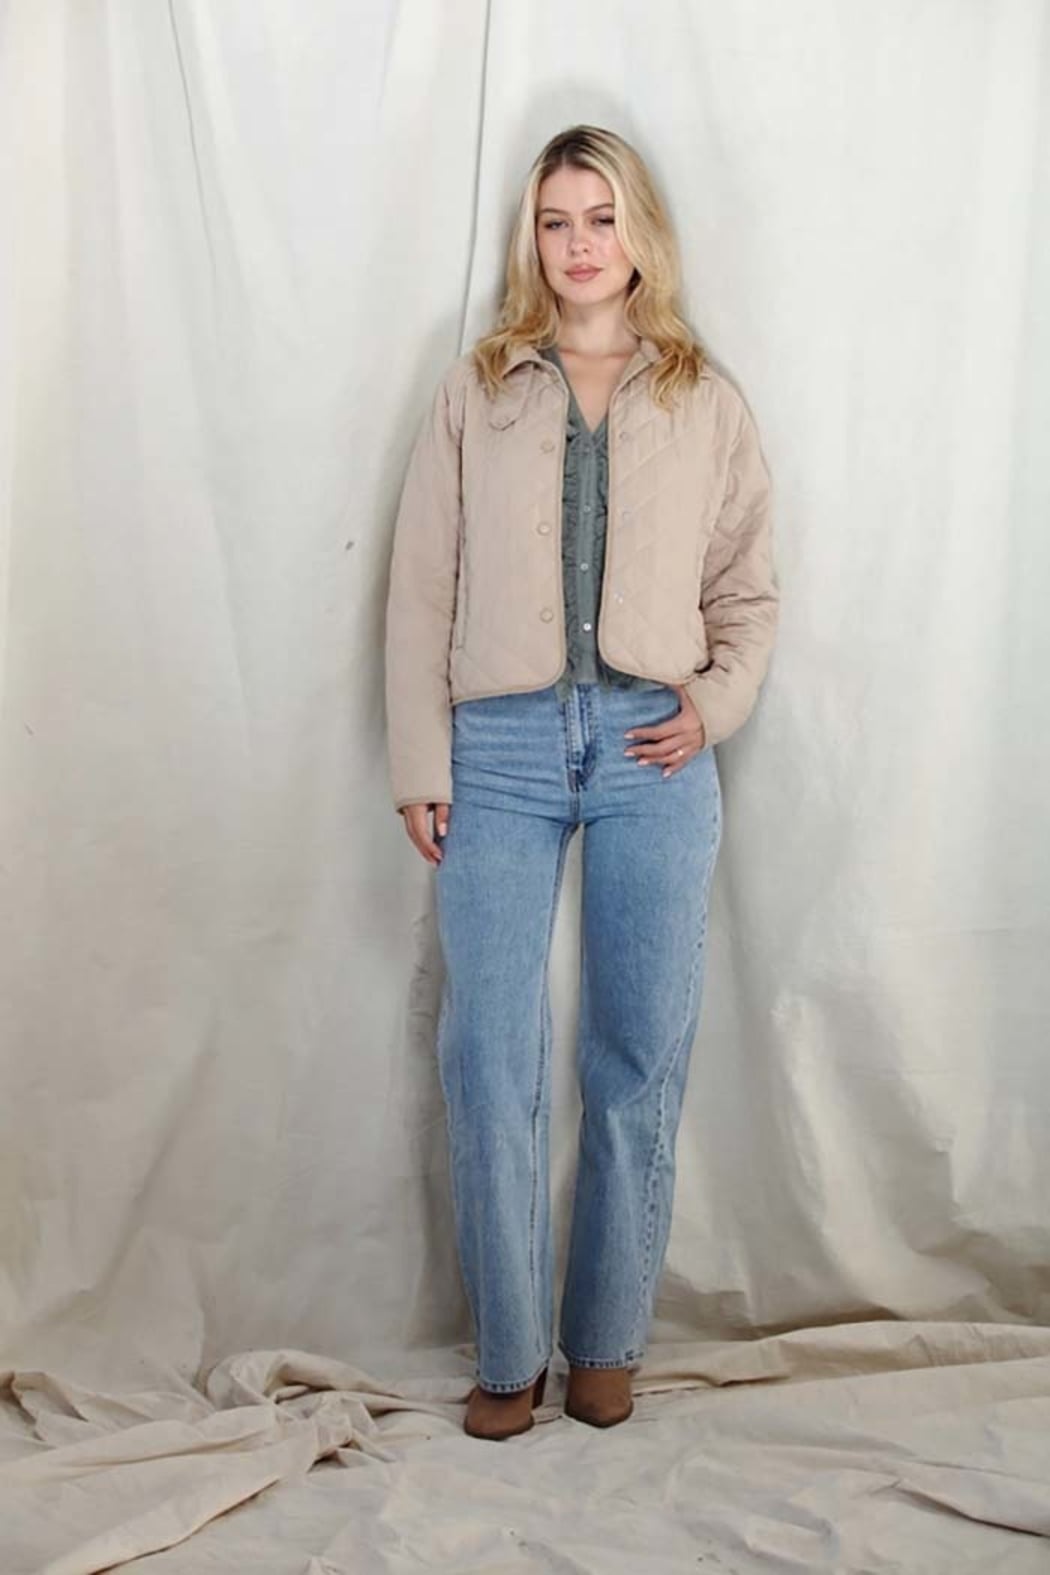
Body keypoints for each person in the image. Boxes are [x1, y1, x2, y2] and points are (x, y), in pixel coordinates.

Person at [384, 124, 778, 1440]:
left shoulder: (702, 396)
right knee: (487, 1054)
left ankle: (606, 1342)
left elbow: (749, 588)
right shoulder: (481, 386)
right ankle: (508, 1353)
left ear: (638, 230)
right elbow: (420, 584)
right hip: (495, 749)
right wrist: (420, 759)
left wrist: (710, 706)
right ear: (531, 240)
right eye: (555, 221)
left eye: (600, 217)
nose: (578, 244)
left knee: (634, 1052)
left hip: (651, 749)